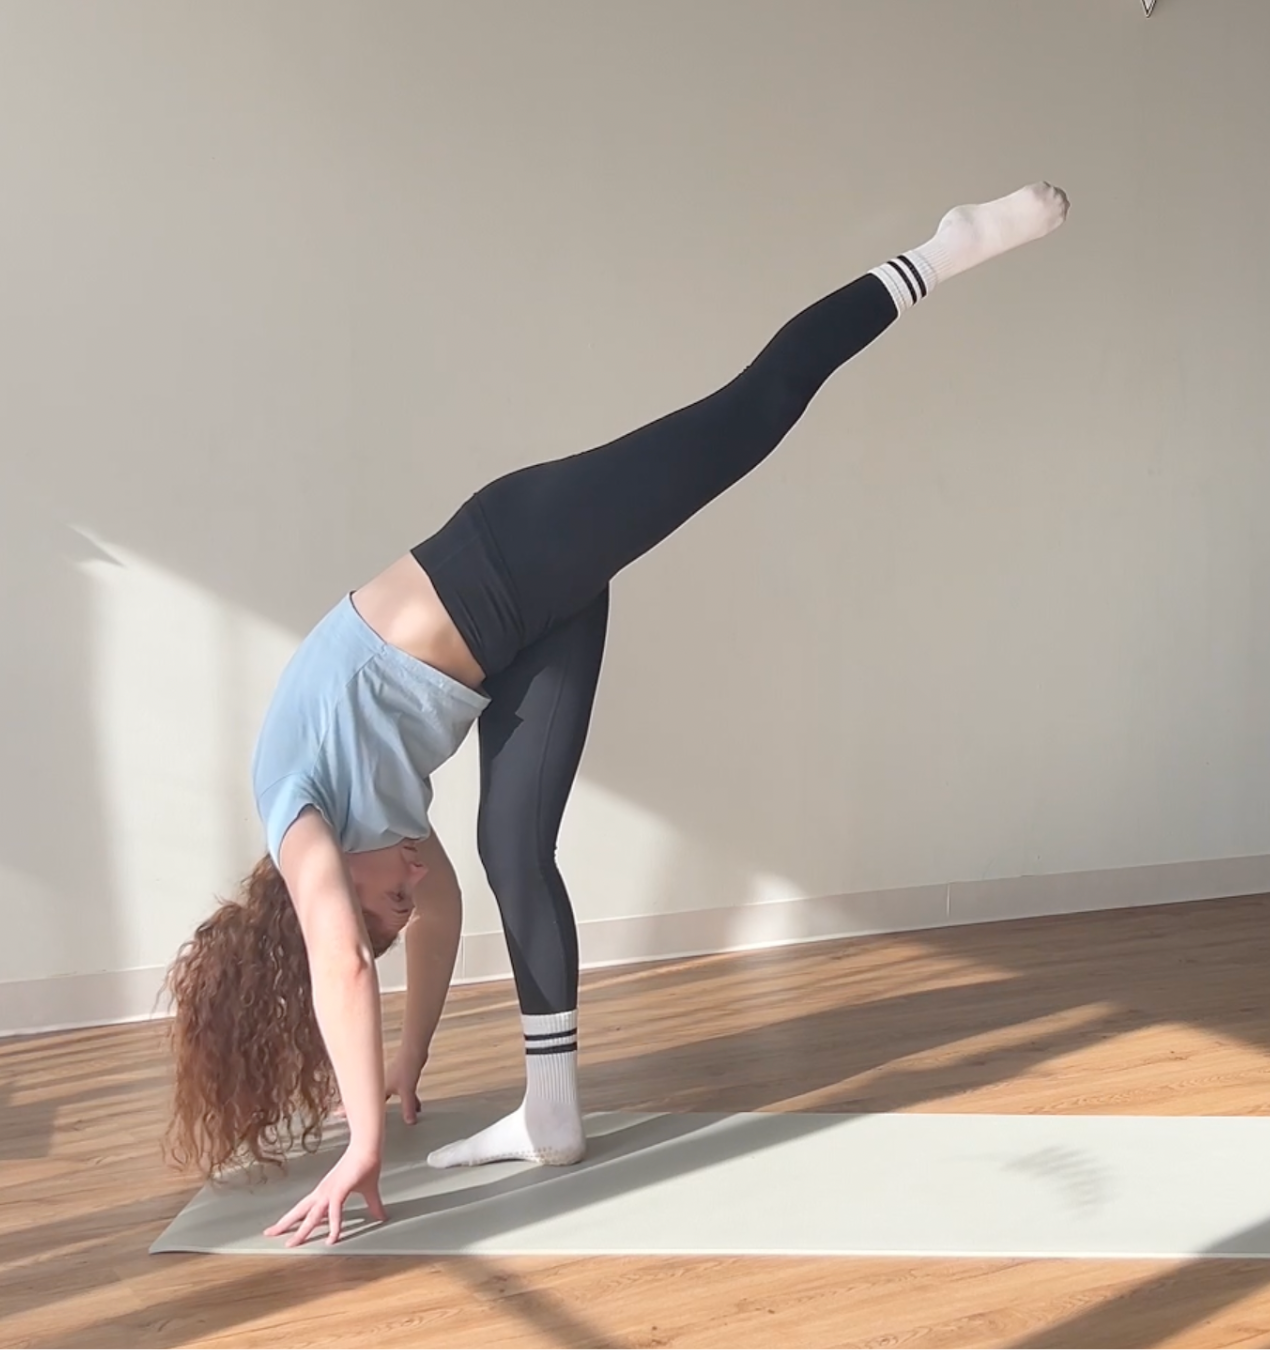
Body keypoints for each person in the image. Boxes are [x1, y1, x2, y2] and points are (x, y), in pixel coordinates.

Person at [163, 182, 1071, 1246]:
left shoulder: (301, 819)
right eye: (399, 900)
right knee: (510, 847)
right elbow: (443, 920)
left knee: (751, 412)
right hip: (526, 632)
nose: (409, 890)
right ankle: (551, 1116)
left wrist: (365, 1140)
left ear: (320, 897)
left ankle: (937, 251)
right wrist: (413, 1058)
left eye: (386, 905)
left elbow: (342, 963)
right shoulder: (380, 848)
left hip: (509, 555)